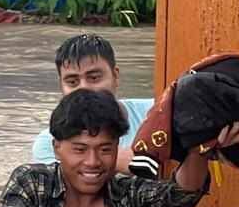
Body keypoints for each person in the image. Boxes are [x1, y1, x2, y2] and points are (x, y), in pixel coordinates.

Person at [0, 88, 239, 207]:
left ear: (118, 146)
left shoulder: (128, 196)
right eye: (79, 150)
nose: (92, 162)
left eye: (105, 149)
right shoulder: (31, 183)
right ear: (56, 147)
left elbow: (179, 196)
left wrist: (200, 149)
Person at [31, 34, 153, 172]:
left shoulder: (158, 113)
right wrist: (120, 161)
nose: (84, 88)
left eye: (94, 78)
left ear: (115, 76)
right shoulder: (48, 144)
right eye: (72, 82)